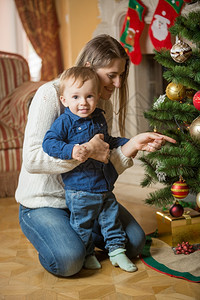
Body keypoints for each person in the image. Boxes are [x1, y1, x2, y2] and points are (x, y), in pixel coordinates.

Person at [15, 34, 176, 277]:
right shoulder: (50, 94)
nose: (119, 83)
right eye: (112, 75)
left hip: (89, 197)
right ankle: (53, 235)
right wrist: (83, 152)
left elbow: (102, 164)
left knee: (134, 243)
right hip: (44, 202)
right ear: (89, 67)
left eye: (121, 75)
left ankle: (77, 233)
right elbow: (33, 160)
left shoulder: (101, 105)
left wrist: (131, 146)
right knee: (69, 260)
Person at [43, 66, 141, 272]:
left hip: (104, 187)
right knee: (82, 225)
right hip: (79, 190)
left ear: (97, 97)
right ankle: (87, 254)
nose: (83, 103)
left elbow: (109, 141)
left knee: (111, 221)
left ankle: (117, 253)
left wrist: (131, 142)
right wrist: (72, 150)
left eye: (89, 96)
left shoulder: (98, 117)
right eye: (76, 97)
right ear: (64, 100)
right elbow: (49, 143)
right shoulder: (64, 122)